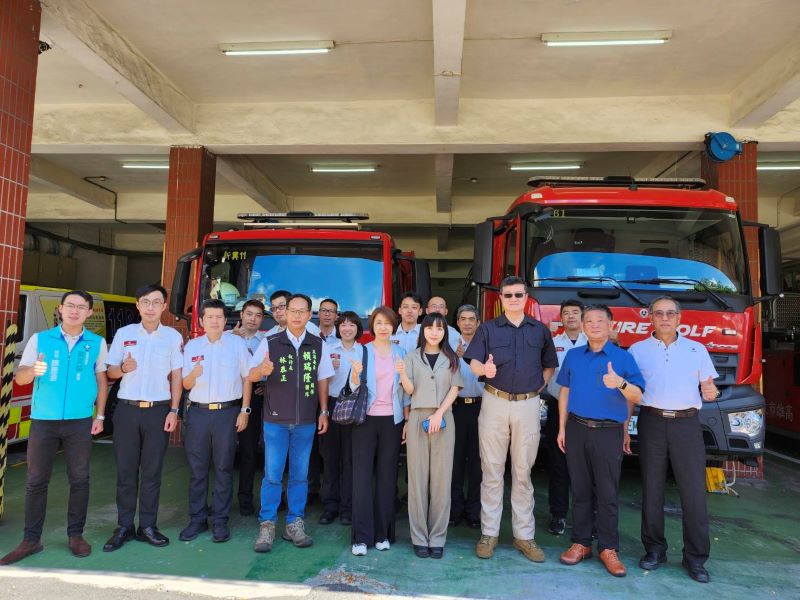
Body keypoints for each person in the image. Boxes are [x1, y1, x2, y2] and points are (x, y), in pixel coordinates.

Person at [1, 291, 108, 565]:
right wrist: (32, 371)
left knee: (80, 479)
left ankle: (76, 536)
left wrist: (100, 415)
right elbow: (21, 377)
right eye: (70, 305)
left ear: (88, 312)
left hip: (80, 421)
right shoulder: (40, 339)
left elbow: (101, 380)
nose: (74, 311)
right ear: (60, 309)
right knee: (36, 481)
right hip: (43, 421)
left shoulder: (97, 343)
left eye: (81, 307)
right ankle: (31, 539)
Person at [464, 276, 557, 563]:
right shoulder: (488, 329)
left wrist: (536, 389)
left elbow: (549, 366)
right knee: (491, 471)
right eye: (508, 295)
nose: (514, 299)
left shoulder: (540, 330)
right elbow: (474, 362)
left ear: (526, 297)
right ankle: (489, 533)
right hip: (494, 402)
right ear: (501, 299)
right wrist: (484, 370)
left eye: (518, 294)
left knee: (523, 473)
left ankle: (524, 536)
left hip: (527, 405)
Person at [628, 296, 718, 584]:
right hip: (651, 421)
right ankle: (655, 550)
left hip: (686, 424)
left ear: (679, 318)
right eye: (659, 313)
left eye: (670, 313)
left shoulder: (696, 349)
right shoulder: (637, 350)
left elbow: (709, 386)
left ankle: (696, 558)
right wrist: (624, 427)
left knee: (693, 492)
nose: (665, 318)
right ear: (650, 317)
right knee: (652, 489)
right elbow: (630, 392)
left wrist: (711, 391)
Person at [556, 304, 644, 577]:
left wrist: (620, 383)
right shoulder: (573, 356)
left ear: (611, 325)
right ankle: (581, 543)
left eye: (600, 321)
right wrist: (562, 428)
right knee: (580, 489)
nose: (594, 325)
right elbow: (564, 392)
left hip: (608, 431)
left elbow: (638, 395)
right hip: (576, 428)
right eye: (589, 321)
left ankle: (608, 548)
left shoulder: (623, 358)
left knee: (607, 492)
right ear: (583, 326)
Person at [250, 293, 334, 553]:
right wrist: (261, 372)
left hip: (306, 421)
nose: (297, 315)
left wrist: (323, 411)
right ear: (285, 314)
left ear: (309, 315)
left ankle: (294, 523)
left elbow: (323, 379)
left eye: (302, 311)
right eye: (292, 311)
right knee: (273, 475)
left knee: (300, 475)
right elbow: (250, 374)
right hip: (275, 421)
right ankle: (267, 524)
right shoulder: (270, 342)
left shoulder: (318, 344)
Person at [102, 284, 183, 552]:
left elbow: (177, 376)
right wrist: (123, 368)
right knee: (125, 471)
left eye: (156, 302)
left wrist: (174, 410)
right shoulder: (124, 333)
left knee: (152, 471)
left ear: (164, 306)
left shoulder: (172, 337)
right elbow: (111, 372)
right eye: (145, 301)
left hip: (158, 411)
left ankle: (148, 526)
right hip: (127, 410)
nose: (150, 307)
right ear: (137, 305)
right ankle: (124, 526)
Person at [179, 299, 252, 544]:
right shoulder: (192, 346)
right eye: (209, 317)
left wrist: (245, 410)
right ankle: (197, 519)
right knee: (198, 470)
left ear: (225, 320)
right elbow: (185, 384)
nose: (214, 321)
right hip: (198, 414)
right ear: (201, 321)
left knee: (223, 468)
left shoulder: (237, 344)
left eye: (219, 317)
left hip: (227, 413)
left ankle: (220, 520)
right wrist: (193, 374)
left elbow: (247, 378)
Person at [399, 313, 463, 559]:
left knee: (441, 481)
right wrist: (402, 374)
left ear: (445, 332)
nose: (434, 332)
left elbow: (455, 388)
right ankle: (419, 537)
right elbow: (410, 390)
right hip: (417, 418)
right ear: (422, 330)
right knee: (417, 480)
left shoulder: (452, 358)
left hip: (444, 419)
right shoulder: (411, 357)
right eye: (430, 328)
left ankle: (437, 538)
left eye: (439, 328)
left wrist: (438, 414)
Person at [349, 306, 409, 556]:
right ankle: (361, 538)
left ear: (393, 326)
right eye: (379, 323)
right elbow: (352, 387)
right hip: (365, 420)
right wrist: (355, 375)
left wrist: (406, 420)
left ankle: (383, 534)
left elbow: (405, 392)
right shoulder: (362, 350)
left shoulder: (401, 352)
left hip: (392, 421)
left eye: (388, 323)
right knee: (362, 478)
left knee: (387, 478)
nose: (383, 327)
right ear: (372, 326)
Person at [543, 299, 586, 536]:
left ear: (582, 316)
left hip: (585, 410)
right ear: (561, 318)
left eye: (575, 312)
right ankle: (558, 514)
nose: (570, 316)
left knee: (584, 466)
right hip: (557, 408)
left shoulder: (593, 342)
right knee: (558, 465)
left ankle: (585, 517)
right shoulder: (553, 343)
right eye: (566, 313)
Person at [318, 310, 362, 526]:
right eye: (343, 324)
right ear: (338, 327)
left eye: (351, 325)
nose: (347, 328)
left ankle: (347, 508)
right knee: (330, 458)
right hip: (332, 404)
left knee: (350, 459)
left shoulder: (364, 351)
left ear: (358, 328)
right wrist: (323, 410)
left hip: (354, 407)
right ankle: (330, 506)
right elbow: (320, 381)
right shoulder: (328, 349)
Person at [228, 299, 267, 516]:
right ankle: (221, 500)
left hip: (253, 399)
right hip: (228, 397)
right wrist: (233, 338)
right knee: (223, 452)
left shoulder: (265, 341)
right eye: (249, 314)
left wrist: (265, 385)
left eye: (258, 315)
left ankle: (245, 499)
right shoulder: (226, 337)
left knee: (249, 450)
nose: (252, 319)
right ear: (241, 315)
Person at [450, 304, 484, 529]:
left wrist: (468, 359)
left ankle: (474, 511)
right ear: (458, 322)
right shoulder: (449, 346)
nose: (468, 323)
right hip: (456, 408)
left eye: (472, 319)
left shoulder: (486, 345)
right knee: (454, 461)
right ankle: (454, 510)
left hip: (482, 407)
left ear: (478, 323)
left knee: (477, 462)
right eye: (463, 319)